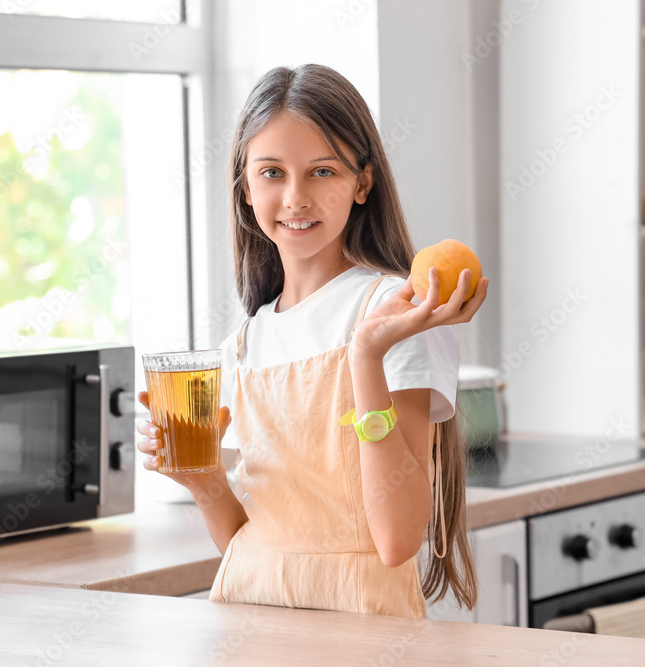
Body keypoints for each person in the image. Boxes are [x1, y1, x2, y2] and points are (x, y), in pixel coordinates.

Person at [137, 63, 488, 619]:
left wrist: (366, 357)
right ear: (245, 189)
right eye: (272, 172)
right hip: (251, 627)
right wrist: (204, 483)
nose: (295, 197)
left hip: (364, 639)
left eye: (322, 172)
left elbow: (397, 541)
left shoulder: (393, 312)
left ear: (362, 182)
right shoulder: (243, 346)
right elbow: (255, 550)